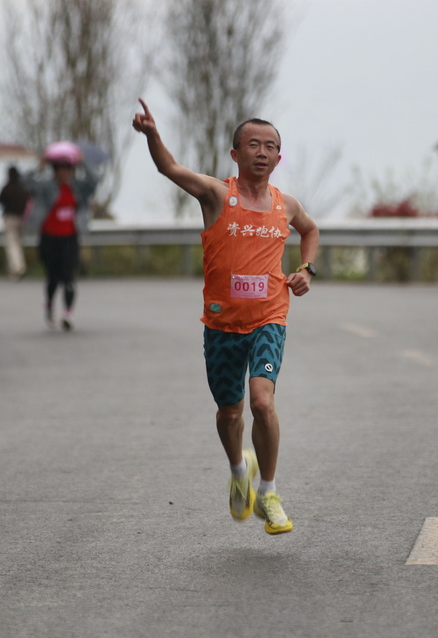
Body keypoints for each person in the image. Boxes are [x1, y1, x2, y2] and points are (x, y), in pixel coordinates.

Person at [133, 98, 319, 535]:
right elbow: (169, 169)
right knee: (229, 413)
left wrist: (307, 269)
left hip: (269, 316)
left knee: (262, 402)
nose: (262, 152)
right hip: (220, 324)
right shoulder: (218, 195)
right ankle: (239, 471)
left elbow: (310, 230)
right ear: (235, 154)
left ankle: (269, 492)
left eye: (270, 146)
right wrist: (153, 136)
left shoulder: (287, 205)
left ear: (278, 158)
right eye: (253, 144)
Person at [23, 156, 99, 331]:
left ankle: (68, 313)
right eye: (60, 170)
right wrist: (39, 167)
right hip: (49, 237)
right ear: (55, 171)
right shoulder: (45, 187)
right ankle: (49, 305)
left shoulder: (78, 188)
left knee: (68, 277)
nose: (64, 173)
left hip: (70, 237)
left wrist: (82, 162)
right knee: (53, 278)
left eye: (67, 170)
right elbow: (25, 182)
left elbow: (95, 180)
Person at [0, 166, 31, 279]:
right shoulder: (23, 188)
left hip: (10, 217)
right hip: (21, 218)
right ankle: (18, 266)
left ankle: (17, 268)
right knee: (18, 243)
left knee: (11, 244)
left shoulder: (8, 187)